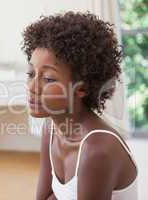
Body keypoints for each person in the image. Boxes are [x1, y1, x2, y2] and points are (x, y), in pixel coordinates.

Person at [21, 11, 138, 200]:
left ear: (81, 88)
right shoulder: (50, 128)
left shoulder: (97, 150)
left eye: (48, 79)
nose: (32, 87)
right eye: (30, 74)